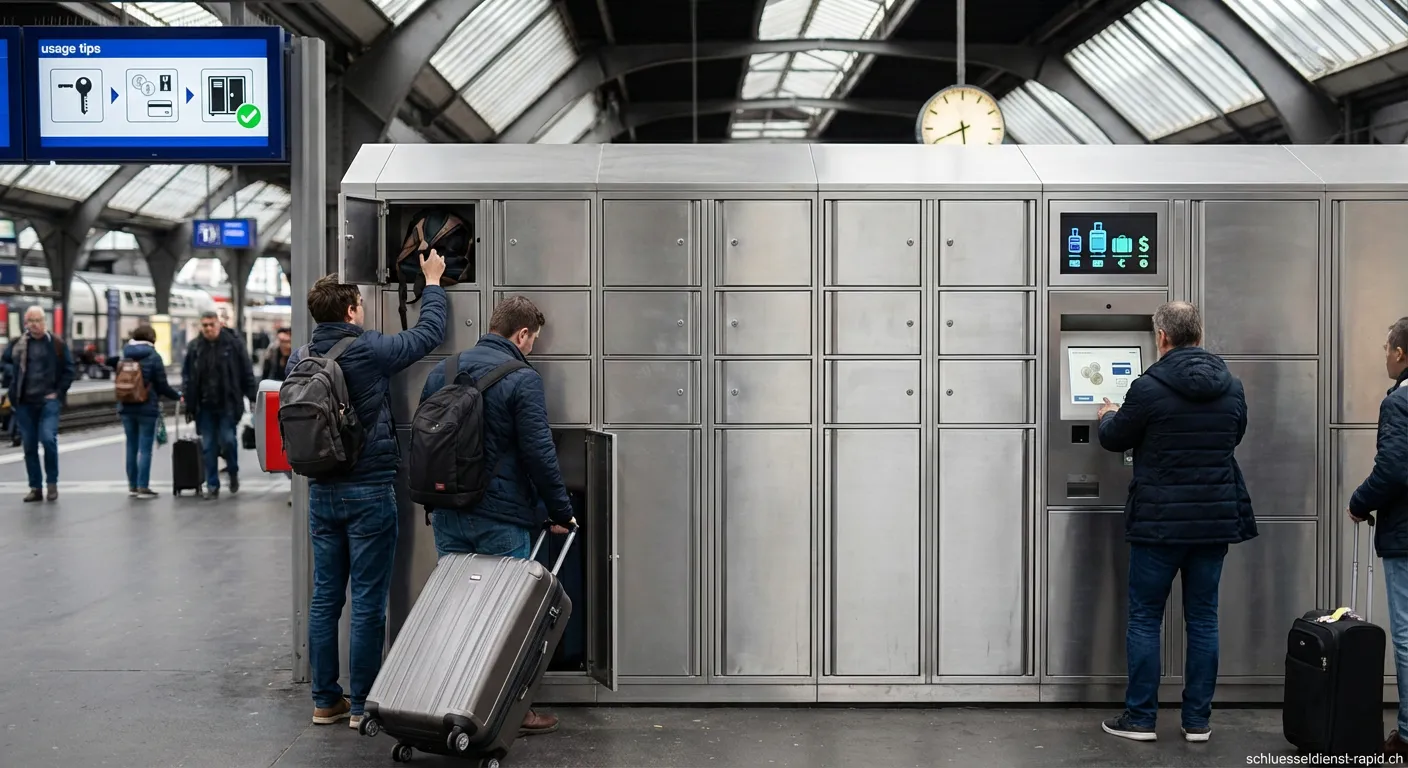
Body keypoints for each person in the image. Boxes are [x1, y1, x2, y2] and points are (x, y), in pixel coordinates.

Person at [288, 254, 447, 730]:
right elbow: (428, 334)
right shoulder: (369, 348)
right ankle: (361, 705)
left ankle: (325, 701)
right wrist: (433, 283)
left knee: (325, 599)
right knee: (368, 600)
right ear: (351, 310)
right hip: (369, 491)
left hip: (321, 491)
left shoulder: (300, 357)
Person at [1094, 301, 1256, 744]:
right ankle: (1197, 721)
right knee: (1203, 619)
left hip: (1159, 523)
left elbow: (1115, 438)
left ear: (1162, 337)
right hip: (1213, 520)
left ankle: (1141, 719)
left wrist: (1107, 415)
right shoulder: (1232, 386)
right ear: (1198, 335)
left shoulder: (1148, 387)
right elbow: (1234, 435)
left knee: (1146, 618)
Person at [419, 294, 575, 738]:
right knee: (507, 620)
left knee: (457, 613)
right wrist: (560, 511)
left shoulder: (442, 371)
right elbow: (539, 453)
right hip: (501, 519)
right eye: (534, 340)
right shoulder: (522, 378)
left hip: (448, 511)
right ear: (521, 334)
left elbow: (426, 442)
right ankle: (510, 712)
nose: (532, 348)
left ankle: (453, 704)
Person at [1348, 317, 1408, 755]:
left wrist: (1359, 501)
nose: (1385, 356)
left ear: (1400, 353)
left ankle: (1407, 734)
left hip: (1405, 535)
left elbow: (1392, 469)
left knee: (1406, 635)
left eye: (1387, 348)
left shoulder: (1400, 402)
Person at [2, 307, 74, 501]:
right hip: (24, 402)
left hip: (48, 401)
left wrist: (58, 393)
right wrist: (13, 374)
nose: (34, 324)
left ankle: (52, 483)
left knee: (48, 439)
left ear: (44, 321)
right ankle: (35, 487)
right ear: (26, 323)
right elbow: (4, 362)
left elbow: (69, 369)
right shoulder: (18, 344)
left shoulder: (56, 344)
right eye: (30, 321)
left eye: (37, 320)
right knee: (29, 445)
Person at [181, 311, 256, 499]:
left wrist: (252, 395)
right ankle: (212, 485)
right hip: (204, 405)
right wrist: (189, 404)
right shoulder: (195, 347)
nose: (208, 329)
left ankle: (233, 471)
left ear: (219, 324)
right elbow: (188, 376)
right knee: (208, 446)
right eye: (205, 325)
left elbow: (245, 371)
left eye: (211, 324)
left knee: (228, 440)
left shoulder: (233, 344)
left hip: (227, 403)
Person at [117, 325, 181, 498]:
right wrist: (177, 396)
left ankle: (132, 486)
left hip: (126, 406)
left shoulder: (125, 354)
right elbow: (162, 385)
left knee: (131, 447)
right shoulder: (153, 356)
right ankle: (143, 486)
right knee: (145, 448)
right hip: (147, 407)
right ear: (152, 339)